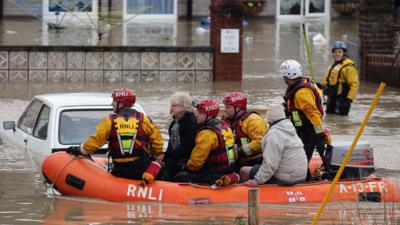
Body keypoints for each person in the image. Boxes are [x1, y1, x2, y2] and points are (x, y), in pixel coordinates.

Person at [67, 88, 164, 184]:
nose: (111, 104)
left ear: (121, 103)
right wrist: (155, 153)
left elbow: (93, 143)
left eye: (114, 101)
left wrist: (79, 150)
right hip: (141, 169)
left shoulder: (109, 121)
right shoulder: (144, 120)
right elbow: (157, 143)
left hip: (120, 170)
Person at [280, 59, 331, 180]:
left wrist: (319, 133)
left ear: (288, 76)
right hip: (303, 128)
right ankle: (307, 174)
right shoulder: (304, 83)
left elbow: (313, 113)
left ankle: (307, 177)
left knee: (302, 155)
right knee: (303, 154)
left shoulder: (301, 93)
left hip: (310, 128)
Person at [173, 98, 237, 184]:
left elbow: (195, 163)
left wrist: (185, 166)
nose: (196, 115)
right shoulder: (224, 126)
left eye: (200, 112)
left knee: (179, 176)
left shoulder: (207, 133)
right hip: (228, 169)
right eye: (196, 111)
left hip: (214, 174)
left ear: (209, 115)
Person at [241, 105, 307, 186]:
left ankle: (241, 192)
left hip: (285, 178)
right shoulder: (290, 129)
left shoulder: (273, 134)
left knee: (244, 170)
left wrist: (257, 180)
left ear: (269, 121)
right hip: (301, 176)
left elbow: (270, 164)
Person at [222, 92, 267, 170]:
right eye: (225, 107)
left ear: (238, 108)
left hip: (254, 161)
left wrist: (238, 151)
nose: (225, 110)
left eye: (228, 107)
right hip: (236, 160)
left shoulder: (254, 120)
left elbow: (259, 143)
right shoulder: (228, 120)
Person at [164, 92, 198, 180]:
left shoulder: (190, 121)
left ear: (184, 106)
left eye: (174, 105)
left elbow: (187, 146)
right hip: (176, 157)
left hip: (186, 159)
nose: (171, 108)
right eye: (171, 105)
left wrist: (171, 159)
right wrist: (165, 156)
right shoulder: (174, 123)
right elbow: (171, 144)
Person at [322, 41, 360, 116]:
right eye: (335, 52)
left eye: (339, 52)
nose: (337, 54)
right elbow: (327, 82)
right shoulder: (333, 66)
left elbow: (354, 84)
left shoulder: (349, 67)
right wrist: (320, 86)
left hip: (342, 101)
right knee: (331, 120)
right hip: (331, 100)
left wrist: (349, 99)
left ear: (344, 53)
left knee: (341, 122)